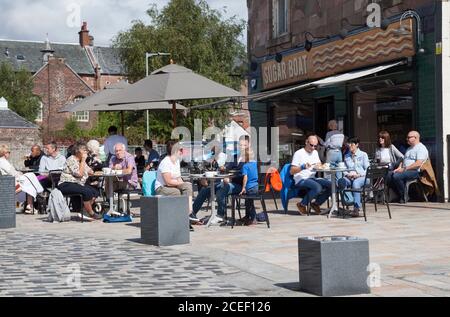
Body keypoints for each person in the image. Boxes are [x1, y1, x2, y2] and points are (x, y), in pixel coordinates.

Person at [58, 143, 101, 220]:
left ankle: (84, 211)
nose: (86, 152)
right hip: (66, 183)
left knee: (95, 191)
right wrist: (83, 161)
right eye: (84, 150)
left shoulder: (82, 161)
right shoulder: (71, 159)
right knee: (86, 191)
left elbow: (90, 171)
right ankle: (91, 213)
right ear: (77, 151)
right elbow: (79, 174)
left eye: (86, 151)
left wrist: (91, 166)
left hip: (78, 183)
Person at [290, 135, 332, 215]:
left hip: (312, 178)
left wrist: (320, 166)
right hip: (301, 178)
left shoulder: (315, 152)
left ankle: (316, 204)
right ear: (306, 142)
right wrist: (302, 167)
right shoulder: (298, 153)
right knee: (317, 187)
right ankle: (302, 204)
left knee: (332, 185)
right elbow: (292, 171)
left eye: (315, 146)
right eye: (311, 145)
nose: (313, 147)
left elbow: (318, 164)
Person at [391, 131, 429, 204]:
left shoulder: (421, 148)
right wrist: (399, 167)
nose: (407, 139)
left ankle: (403, 196)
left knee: (397, 176)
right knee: (389, 176)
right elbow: (404, 160)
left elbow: (418, 163)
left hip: (415, 171)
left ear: (415, 138)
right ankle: (400, 194)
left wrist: (404, 169)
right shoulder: (409, 148)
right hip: (406, 170)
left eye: (408, 137)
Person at [337, 137, 370, 217]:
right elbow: (344, 169)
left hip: (363, 178)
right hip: (350, 177)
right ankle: (349, 201)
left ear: (357, 145)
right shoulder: (347, 156)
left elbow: (368, 169)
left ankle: (356, 208)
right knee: (341, 181)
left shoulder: (363, 155)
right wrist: (347, 174)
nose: (350, 146)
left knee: (356, 183)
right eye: (349, 144)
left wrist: (359, 175)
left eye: (352, 144)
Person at [236, 147, 259, 226]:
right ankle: (247, 216)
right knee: (248, 202)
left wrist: (243, 187)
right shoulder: (255, 163)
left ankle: (253, 219)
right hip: (256, 186)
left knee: (250, 203)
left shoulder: (245, 166)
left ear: (245, 157)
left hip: (249, 187)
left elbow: (245, 177)